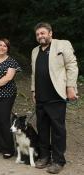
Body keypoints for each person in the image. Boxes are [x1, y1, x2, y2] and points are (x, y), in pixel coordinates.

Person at [31, 22, 78, 174]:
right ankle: (45, 157)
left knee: (58, 130)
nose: (40, 36)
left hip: (57, 95)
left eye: (43, 33)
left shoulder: (62, 45)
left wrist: (71, 87)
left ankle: (58, 161)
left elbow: (71, 65)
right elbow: (34, 73)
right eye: (38, 34)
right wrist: (33, 91)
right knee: (42, 129)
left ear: (50, 33)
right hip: (41, 97)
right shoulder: (34, 51)